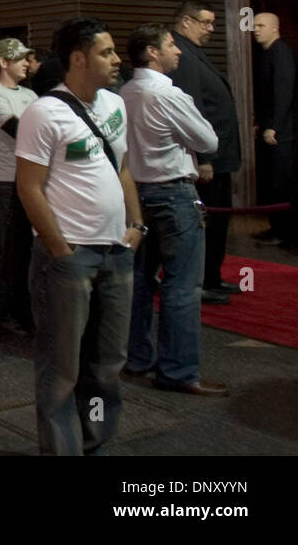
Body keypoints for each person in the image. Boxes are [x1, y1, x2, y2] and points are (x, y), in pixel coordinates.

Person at [16, 17, 145, 455]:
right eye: (106, 52)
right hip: (70, 260)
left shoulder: (114, 105)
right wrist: (60, 248)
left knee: (108, 366)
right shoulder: (43, 112)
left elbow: (122, 167)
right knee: (62, 370)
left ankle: (94, 443)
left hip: (117, 254)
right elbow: (28, 187)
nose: (116, 59)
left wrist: (137, 225)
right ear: (78, 58)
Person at [122, 24, 228, 396]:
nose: (178, 51)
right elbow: (208, 139)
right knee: (182, 284)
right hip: (172, 195)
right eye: (170, 44)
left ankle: (137, 357)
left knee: (138, 281)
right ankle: (179, 371)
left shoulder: (125, 93)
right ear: (152, 51)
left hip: (135, 195)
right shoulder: (167, 94)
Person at [167, 1, 240, 304]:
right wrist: (205, 158)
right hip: (208, 158)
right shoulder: (182, 55)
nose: (211, 29)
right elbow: (192, 109)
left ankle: (212, 276)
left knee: (218, 222)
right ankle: (203, 281)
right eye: (206, 22)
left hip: (218, 155)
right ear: (186, 21)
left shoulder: (193, 51)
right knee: (207, 221)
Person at [0, 38, 38, 334]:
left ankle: (23, 310)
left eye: (27, 59)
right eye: (20, 59)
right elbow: (21, 130)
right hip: (5, 180)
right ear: (4, 62)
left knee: (26, 251)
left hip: (30, 180)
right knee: (7, 250)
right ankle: (0, 312)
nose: (26, 64)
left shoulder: (30, 94)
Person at [252, 12, 296, 250]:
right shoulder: (268, 54)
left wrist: (274, 126)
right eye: (254, 25)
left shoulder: (281, 54)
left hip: (282, 133)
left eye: (261, 25)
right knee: (272, 183)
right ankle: (277, 229)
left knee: (281, 184)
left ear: (275, 28)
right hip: (272, 129)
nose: (256, 29)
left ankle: (286, 233)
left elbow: (283, 93)